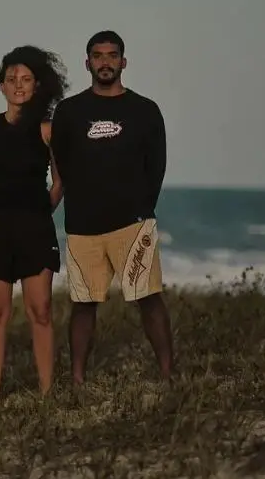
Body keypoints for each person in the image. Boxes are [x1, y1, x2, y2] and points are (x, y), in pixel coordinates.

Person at [49, 30, 174, 385]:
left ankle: (168, 375)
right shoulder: (69, 112)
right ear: (87, 63)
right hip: (83, 225)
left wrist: (141, 209)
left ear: (123, 62)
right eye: (98, 56)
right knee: (83, 304)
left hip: (132, 224)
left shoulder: (145, 110)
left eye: (112, 55)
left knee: (149, 298)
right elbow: (59, 165)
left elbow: (157, 166)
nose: (105, 62)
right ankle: (77, 380)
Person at [0, 45, 69, 401]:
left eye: (26, 79)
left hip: (35, 229)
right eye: (11, 79)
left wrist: (39, 212)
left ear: (36, 85)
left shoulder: (48, 131)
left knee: (40, 310)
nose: (18, 85)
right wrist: (1, 210)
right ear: (1, 86)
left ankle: (46, 391)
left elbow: (59, 182)